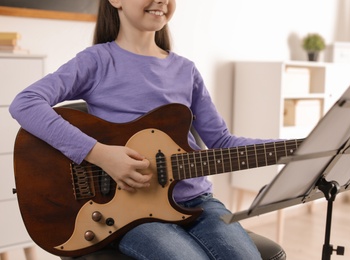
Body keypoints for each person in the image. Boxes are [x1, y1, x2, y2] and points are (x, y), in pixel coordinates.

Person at [10, 0, 270, 259]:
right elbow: (26, 103)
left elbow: (222, 142)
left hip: (199, 202)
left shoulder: (186, 70)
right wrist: (99, 154)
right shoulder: (98, 60)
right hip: (132, 213)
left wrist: (300, 149)